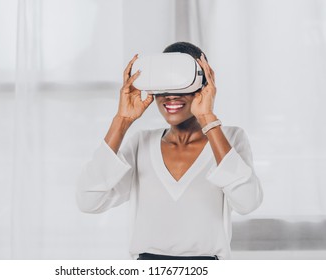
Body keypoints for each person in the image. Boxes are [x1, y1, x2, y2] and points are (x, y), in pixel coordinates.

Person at [76, 42, 263, 260]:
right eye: (164, 85)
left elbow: (247, 202)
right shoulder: (141, 143)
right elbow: (89, 202)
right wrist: (122, 121)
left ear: (204, 84)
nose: (171, 96)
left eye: (182, 84)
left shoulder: (229, 139)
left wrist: (208, 119)